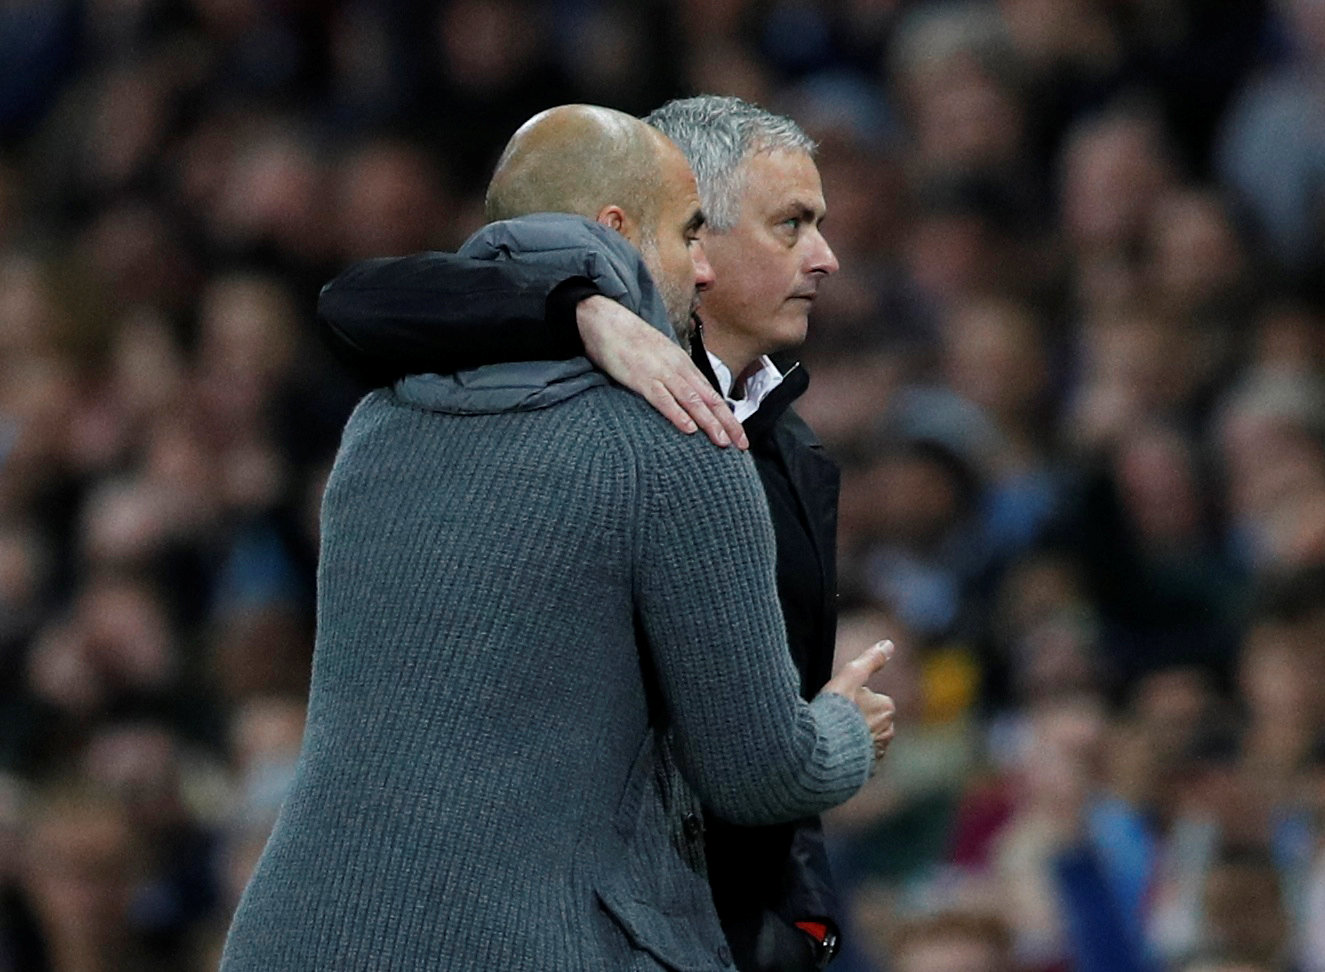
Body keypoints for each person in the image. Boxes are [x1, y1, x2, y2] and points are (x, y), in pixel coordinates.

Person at [221, 104, 894, 971]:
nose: (700, 266)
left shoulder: (377, 423)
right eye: (690, 233)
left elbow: (367, 300)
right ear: (617, 229)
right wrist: (843, 728)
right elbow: (761, 770)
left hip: (293, 935)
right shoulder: (681, 442)